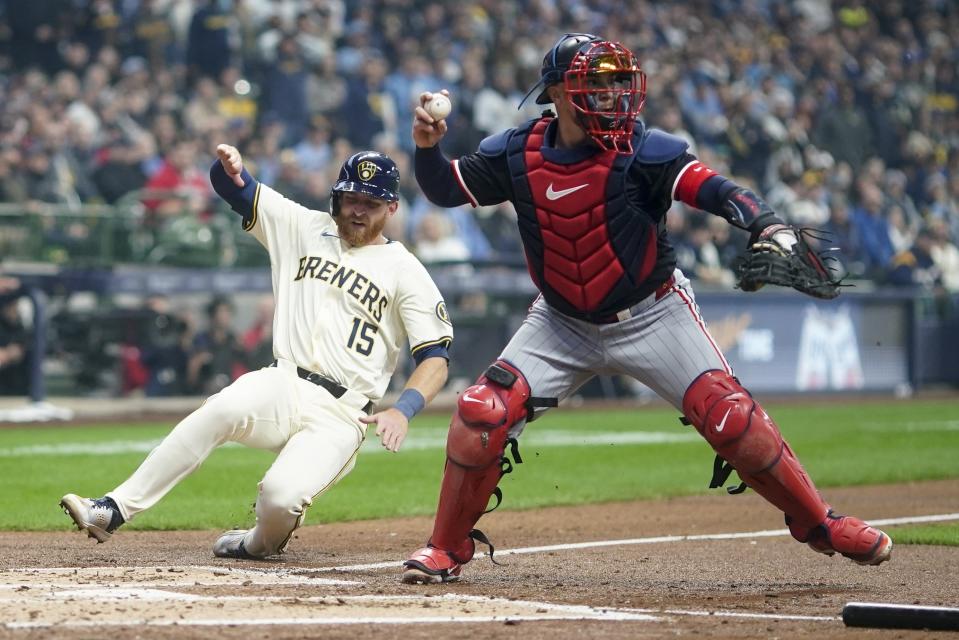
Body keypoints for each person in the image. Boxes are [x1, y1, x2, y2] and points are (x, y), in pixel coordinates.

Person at [400, 33, 891, 585]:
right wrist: (425, 146)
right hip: (560, 321)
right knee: (480, 413)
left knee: (733, 419)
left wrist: (766, 223)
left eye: (617, 81)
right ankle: (444, 548)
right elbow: (445, 188)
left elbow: (714, 188)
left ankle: (819, 523)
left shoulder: (644, 148)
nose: (612, 93)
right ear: (559, 92)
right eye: (597, 82)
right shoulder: (517, 153)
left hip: (654, 313)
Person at [61, 146, 453, 560]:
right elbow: (232, 187)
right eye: (350, 198)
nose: (357, 211)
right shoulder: (303, 226)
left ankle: (256, 543)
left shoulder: (405, 269)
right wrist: (227, 167)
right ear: (337, 196)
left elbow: (436, 357)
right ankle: (114, 508)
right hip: (283, 381)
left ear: (391, 207)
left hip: (343, 412)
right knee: (221, 409)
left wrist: (403, 409)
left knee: (281, 499)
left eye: (370, 203)